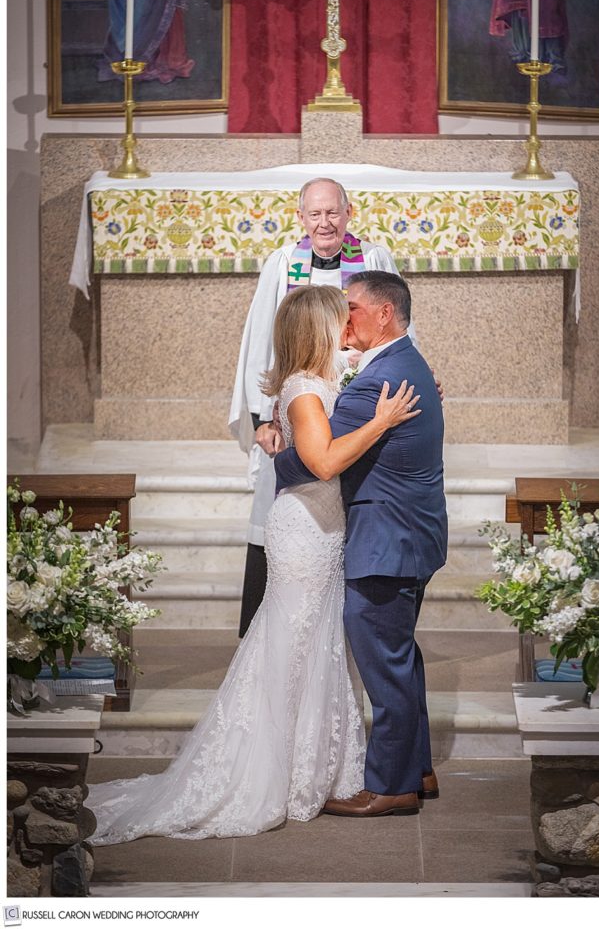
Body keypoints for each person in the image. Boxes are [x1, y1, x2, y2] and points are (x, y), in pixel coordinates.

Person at [87, 285, 420, 843]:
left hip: (323, 529)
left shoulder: (318, 383)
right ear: (318, 331)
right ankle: (264, 773)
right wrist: (382, 422)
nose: (347, 330)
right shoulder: (306, 392)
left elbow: (334, 407)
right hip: (306, 531)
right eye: (339, 321)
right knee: (289, 646)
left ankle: (309, 767)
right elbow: (323, 460)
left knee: (314, 646)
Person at [275, 271, 448, 816]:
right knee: (400, 658)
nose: (344, 317)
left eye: (351, 306)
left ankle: (392, 786)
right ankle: (416, 768)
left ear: (383, 314)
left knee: (386, 664)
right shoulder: (401, 364)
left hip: (386, 541)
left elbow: (316, 457)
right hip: (404, 534)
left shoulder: (379, 382)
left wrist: (274, 449)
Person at [229, 177, 415, 637]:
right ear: (301, 218)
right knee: (283, 511)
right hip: (295, 412)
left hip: (355, 407)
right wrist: (261, 418)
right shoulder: (281, 264)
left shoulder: (372, 260)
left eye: (333, 212)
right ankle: (265, 631)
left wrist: (412, 375)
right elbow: (261, 345)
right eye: (315, 214)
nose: (325, 222)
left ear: (349, 214)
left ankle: (347, 630)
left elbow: (398, 331)